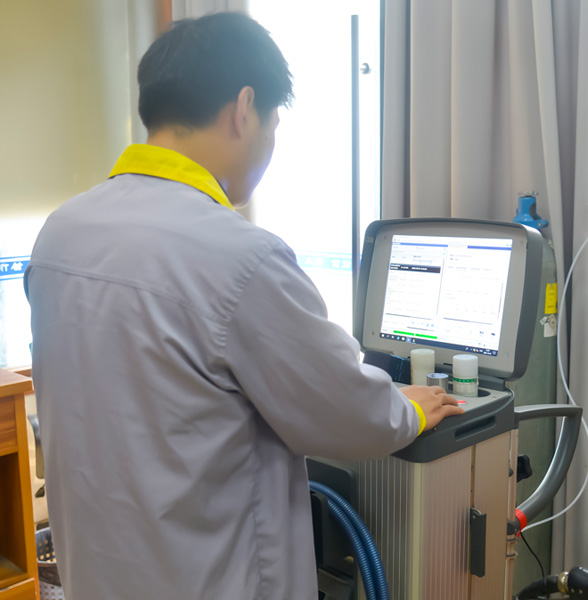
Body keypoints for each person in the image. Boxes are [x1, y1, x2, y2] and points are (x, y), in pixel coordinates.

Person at [25, 12, 462, 600]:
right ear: (244, 108)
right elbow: (345, 410)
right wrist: (407, 408)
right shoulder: (240, 256)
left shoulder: (60, 234)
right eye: (273, 124)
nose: (270, 144)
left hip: (102, 573)